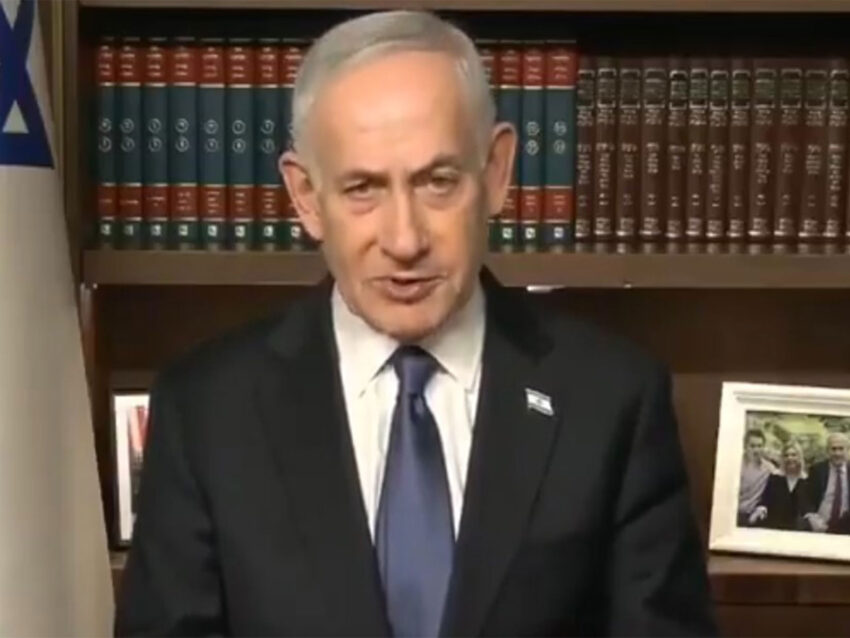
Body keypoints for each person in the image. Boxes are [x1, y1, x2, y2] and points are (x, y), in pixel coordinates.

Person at [114, 10, 716, 636]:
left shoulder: (613, 401)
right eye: (363, 189)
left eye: (437, 182)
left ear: (496, 172)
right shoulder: (207, 412)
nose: (404, 240)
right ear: (306, 197)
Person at [748, 440, 811, 531]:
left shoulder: (805, 480)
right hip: (773, 526)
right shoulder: (775, 477)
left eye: (793, 455)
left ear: (799, 457)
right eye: (786, 455)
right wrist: (759, 510)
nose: (790, 458)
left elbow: (806, 506)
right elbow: (765, 499)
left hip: (794, 529)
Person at [803, 432, 850, 534]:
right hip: (819, 526)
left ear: (847, 450)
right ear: (827, 451)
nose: (837, 453)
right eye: (833, 449)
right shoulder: (817, 470)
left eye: (841, 449)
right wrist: (811, 517)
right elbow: (806, 498)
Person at [737, 429, 776, 527]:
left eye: (760, 446)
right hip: (734, 513)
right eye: (752, 446)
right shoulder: (736, 465)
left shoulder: (768, 468)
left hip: (753, 515)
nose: (756, 450)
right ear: (745, 446)